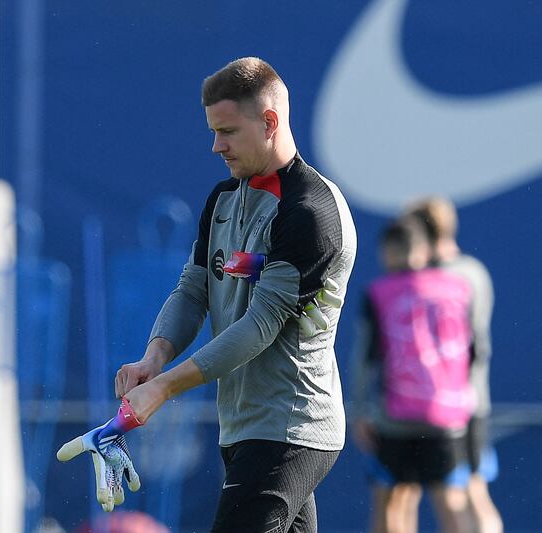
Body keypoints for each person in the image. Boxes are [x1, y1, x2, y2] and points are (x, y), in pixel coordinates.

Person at [58, 57, 357, 532]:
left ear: (270, 122)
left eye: (228, 131)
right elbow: (193, 289)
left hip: (290, 426)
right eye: (213, 131)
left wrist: (166, 387)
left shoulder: (311, 212)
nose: (215, 145)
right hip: (243, 425)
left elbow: (258, 327)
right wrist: (153, 360)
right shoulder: (224, 199)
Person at [350, 216, 476, 533]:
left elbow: (365, 356)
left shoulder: (379, 292)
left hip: (395, 417)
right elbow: (471, 352)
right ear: (423, 251)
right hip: (447, 415)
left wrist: (360, 409)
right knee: (451, 500)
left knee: (390, 500)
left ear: (387, 252)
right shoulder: (457, 289)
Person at [406, 197, 503, 533]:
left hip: (445, 408)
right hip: (476, 401)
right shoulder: (475, 271)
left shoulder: (431, 281)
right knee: (476, 493)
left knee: (450, 498)